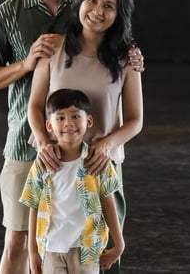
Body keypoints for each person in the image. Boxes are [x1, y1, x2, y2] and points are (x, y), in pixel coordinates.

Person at [0, 0, 145, 274]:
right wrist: (26, 63)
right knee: (22, 242)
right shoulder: (6, 15)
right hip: (32, 148)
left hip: (97, 160)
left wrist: (134, 57)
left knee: (96, 246)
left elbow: (116, 33)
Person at [27, 0, 143, 274]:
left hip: (100, 167)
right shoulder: (53, 48)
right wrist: (43, 143)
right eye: (92, 0)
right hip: (56, 165)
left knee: (104, 256)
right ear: (80, 1)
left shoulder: (126, 60)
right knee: (54, 250)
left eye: (109, 6)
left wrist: (105, 146)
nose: (97, 11)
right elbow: (36, 106)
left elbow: (135, 120)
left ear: (119, 14)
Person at [20, 88, 124, 274]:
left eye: (76, 116)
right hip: (51, 248)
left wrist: (119, 243)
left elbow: (108, 203)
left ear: (88, 121)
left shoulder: (98, 162)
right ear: (49, 126)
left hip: (87, 248)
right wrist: (32, 251)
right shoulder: (42, 165)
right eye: (60, 118)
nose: (69, 123)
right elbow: (33, 207)